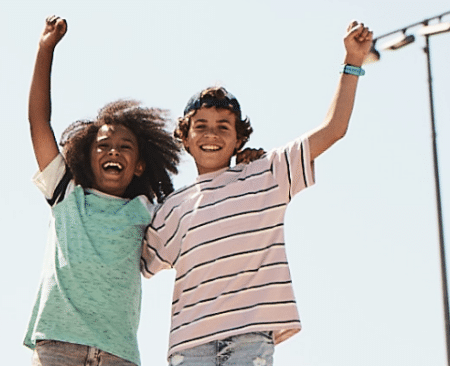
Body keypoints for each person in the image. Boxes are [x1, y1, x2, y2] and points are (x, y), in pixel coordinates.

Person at [141, 21, 374, 366]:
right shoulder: (171, 208)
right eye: (201, 126)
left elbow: (334, 129)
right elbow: (138, 260)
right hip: (189, 346)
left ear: (239, 139)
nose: (212, 134)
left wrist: (352, 61)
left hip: (250, 339)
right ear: (185, 138)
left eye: (224, 126)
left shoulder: (267, 174)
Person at [23, 16, 181, 366]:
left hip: (117, 354)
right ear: (85, 155)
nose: (113, 151)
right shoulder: (67, 194)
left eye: (125, 147)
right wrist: (44, 49)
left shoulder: (147, 210)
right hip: (58, 345)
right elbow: (38, 121)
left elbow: (198, 210)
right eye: (104, 145)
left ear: (139, 165)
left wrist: (241, 164)